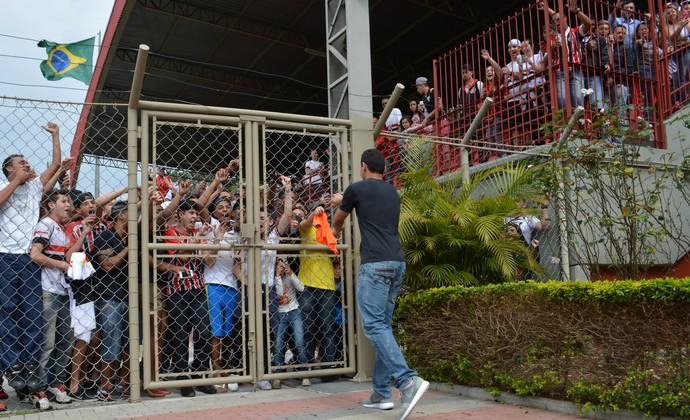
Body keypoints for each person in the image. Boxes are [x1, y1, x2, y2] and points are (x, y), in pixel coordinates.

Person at [331, 148, 428, 420]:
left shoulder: (356, 188)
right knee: (383, 325)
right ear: (382, 169)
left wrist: (338, 216)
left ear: (363, 166)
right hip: (397, 262)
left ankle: (408, 381)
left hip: (374, 264)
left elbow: (338, 221)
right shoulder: (392, 192)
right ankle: (382, 393)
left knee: (373, 325)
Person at [0, 122, 63, 411]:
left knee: (32, 314)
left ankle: (25, 366)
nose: (26, 164)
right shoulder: (5, 186)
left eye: (27, 162)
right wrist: (15, 181)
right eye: (20, 163)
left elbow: (55, 164)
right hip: (4, 257)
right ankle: (12, 366)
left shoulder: (35, 188)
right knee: (7, 311)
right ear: (9, 170)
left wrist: (55, 136)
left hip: (26, 260)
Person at [29, 190, 86, 409]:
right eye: (63, 201)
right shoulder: (46, 224)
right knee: (48, 342)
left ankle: (56, 382)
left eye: (69, 202)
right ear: (50, 205)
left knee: (66, 340)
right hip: (47, 290)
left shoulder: (61, 229)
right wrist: (63, 266)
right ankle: (38, 388)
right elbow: (35, 254)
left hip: (62, 291)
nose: (68, 205)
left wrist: (83, 234)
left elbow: (68, 255)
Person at [270, 259, 308, 390]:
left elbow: (301, 288)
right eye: (279, 264)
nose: (282, 266)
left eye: (284, 263)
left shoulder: (290, 275)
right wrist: (277, 275)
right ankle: (278, 375)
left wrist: (290, 272)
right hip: (280, 314)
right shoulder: (273, 278)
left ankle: (304, 374)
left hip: (294, 311)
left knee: (299, 342)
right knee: (279, 345)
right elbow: (280, 293)